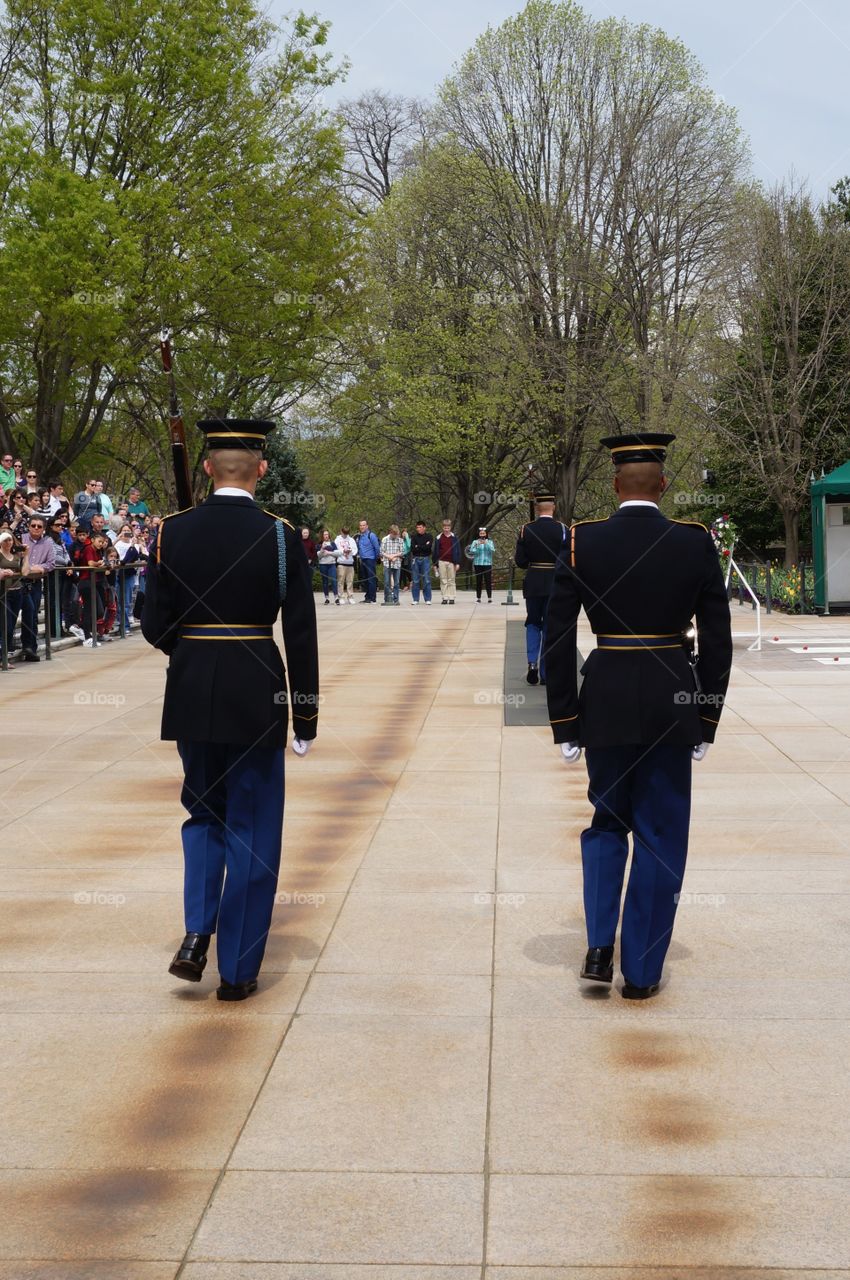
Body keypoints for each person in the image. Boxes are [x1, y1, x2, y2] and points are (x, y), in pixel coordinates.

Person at [545, 432, 733, 1000]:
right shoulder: (693, 542)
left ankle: (600, 948)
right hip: (672, 699)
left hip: (604, 697)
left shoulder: (583, 541)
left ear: (613, 484)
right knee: (660, 833)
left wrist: (564, 721)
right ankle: (644, 971)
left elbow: (556, 639)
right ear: (664, 485)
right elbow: (718, 641)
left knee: (607, 821)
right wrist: (707, 716)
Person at [142, 417, 319, 1002]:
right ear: (261, 469)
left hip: (192, 687)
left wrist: (192, 652)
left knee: (202, 813)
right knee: (253, 826)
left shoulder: (170, 531)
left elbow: (153, 625)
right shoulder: (278, 535)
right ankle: (238, 969)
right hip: (256, 690)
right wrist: (307, 713)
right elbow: (299, 632)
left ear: (209, 468)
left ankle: (196, 934)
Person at [515, 490, 567, 685]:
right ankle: (546, 671)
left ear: (537, 509)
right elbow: (568, 560)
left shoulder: (525, 530)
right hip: (555, 583)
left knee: (533, 623)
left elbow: (520, 561)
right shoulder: (563, 529)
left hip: (534, 583)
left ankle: (531, 664)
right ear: (553, 507)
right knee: (549, 627)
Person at [17, 516, 56, 659]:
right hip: (17, 582)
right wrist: (30, 568)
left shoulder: (48, 542)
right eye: (33, 525)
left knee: (31, 615)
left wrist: (39, 569)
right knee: (11, 615)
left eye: (39, 526)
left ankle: (29, 647)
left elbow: (51, 563)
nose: (36, 528)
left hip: (34, 583)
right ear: (28, 526)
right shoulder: (21, 538)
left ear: (44, 529)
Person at [0, 527, 27, 662]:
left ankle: (5, 655)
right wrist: (2, 571)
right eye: (5, 540)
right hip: (4, 593)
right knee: (6, 625)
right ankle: (2, 657)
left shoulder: (16, 555)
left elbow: (25, 571)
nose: (8, 542)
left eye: (10, 539)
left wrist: (26, 555)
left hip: (17, 592)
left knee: (11, 624)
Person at [432, 518, 461, 604]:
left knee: (451, 580)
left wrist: (458, 563)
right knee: (443, 580)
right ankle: (444, 597)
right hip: (441, 561)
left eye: (448, 528)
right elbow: (435, 551)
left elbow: (458, 550)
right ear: (442, 528)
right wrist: (435, 564)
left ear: (450, 528)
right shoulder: (438, 538)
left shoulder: (454, 538)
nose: (446, 529)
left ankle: (452, 597)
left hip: (452, 562)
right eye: (445, 528)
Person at [466, 527, 496, 602]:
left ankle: (489, 598)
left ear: (486, 534)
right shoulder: (475, 542)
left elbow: (493, 550)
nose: (482, 535)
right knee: (478, 581)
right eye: (481, 533)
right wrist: (477, 545)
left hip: (487, 563)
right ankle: (478, 598)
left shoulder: (490, 542)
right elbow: (471, 551)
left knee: (488, 581)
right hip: (478, 563)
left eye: (483, 533)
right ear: (479, 534)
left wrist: (486, 544)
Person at [356, 519, 380, 603]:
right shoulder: (359, 536)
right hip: (362, 560)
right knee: (365, 579)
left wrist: (375, 558)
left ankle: (372, 598)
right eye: (360, 525)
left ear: (367, 526)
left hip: (370, 559)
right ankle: (367, 597)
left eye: (363, 525)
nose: (362, 527)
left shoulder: (371, 535)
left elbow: (377, 548)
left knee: (371, 579)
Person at [409, 520, 433, 605]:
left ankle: (428, 599)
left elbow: (428, 548)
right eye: (417, 527)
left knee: (426, 579)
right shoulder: (414, 537)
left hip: (425, 559)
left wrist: (418, 546)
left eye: (420, 527)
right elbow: (412, 549)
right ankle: (415, 599)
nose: (418, 529)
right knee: (415, 580)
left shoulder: (429, 536)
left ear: (424, 528)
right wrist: (422, 546)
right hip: (416, 559)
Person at [380, 524, 404, 605]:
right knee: (387, 582)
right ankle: (387, 599)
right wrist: (389, 556)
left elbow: (402, 551)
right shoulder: (385, 539)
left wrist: (394, 556)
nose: (395, 536)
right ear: (390, 532)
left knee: (396, 583)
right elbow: (382, 551)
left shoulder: (400, 540)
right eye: (394, 534)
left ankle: (396, 599)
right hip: (387, 563)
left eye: (396, 534)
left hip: (397, 563)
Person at [316, 529, 340, 605]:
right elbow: (318, 556)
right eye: (324, 534)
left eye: (327, 534)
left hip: (332, 564)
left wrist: (329, 553)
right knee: (325, 582)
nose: (326, 536)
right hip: (323, 565)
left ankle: (336, 598)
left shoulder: (333, 544)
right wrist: (322, 549)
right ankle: (327, 598)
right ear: (322, 536)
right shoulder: (319, 544)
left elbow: (337, 554)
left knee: (334, 581)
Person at [334, 527, 357, 603]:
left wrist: (350, 551)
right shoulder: (337, 540)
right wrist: (343, 551)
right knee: (341, 581)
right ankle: (341, 597)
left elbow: (355, 550)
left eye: (346, 533)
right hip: (341, 563)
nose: (345, 535)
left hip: (350, 563)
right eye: (344, 533)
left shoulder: (351, 540)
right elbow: (335, 550)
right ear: (341, 532)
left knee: (350, 581)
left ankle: (350, 596)